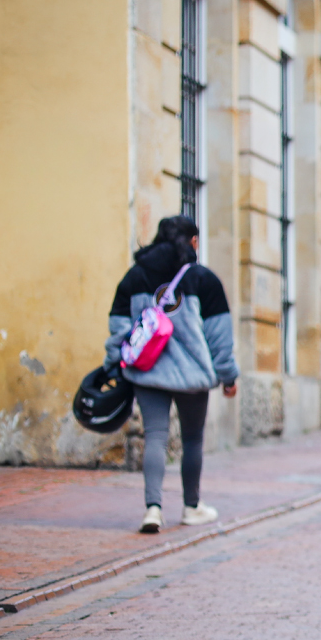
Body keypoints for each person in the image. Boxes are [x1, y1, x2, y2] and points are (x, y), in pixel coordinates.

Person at [104, 216, 236, 534]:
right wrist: (227, 375)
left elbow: (118, 326)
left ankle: (153, 509)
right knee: (192, 439)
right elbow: (219, 335)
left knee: (155, 437)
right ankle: (191, 507)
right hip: (193, 376)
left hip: (146, 372)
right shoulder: (204, 279)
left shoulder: (135, 277)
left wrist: (115, 362)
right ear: (193, 242)